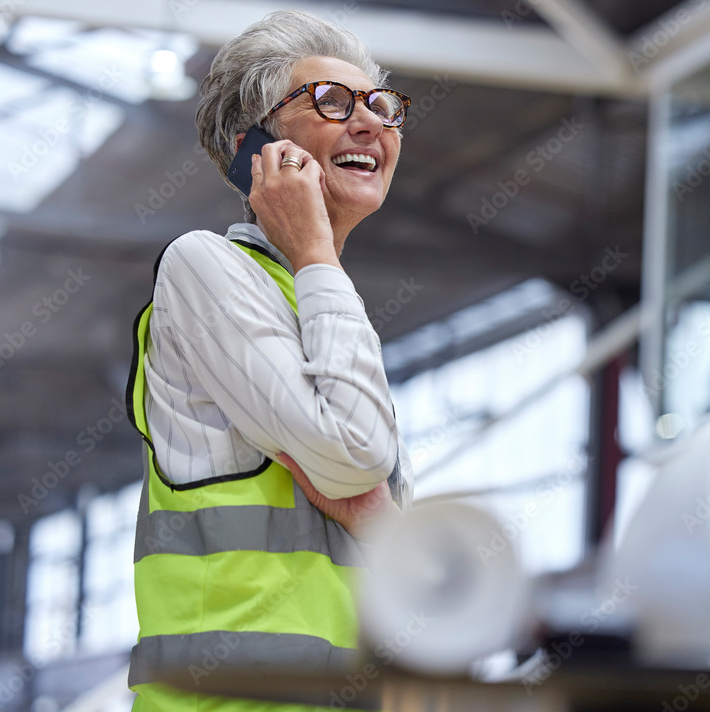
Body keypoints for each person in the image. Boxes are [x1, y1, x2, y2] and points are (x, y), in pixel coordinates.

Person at [125, 10, 413, 709]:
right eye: (332, 103)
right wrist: (315, 251)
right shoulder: (206, 267)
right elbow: (354, 455)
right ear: (255, 146)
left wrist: (374, 514)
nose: (370, 123)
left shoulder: (326, 307)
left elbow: (410, 564)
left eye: (380, 106)